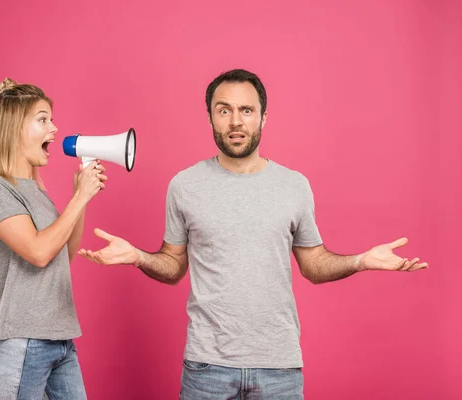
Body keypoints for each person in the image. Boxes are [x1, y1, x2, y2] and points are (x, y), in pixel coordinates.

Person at [77, 69, 428, 399]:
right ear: (210, 118)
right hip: (206, 368)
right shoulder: (185, 185)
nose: (235, 121)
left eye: (246, 110)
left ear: (263, 117)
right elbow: (173, 266)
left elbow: (314, 264)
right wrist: (138, 256)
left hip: (279, 367)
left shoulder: (294, 185)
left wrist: (361, 260)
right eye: (223, 110)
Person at [0, 78, 107, 399]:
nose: (55, 129)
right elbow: (38, 252)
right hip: (21, 340)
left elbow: (63, 253)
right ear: (14, 128)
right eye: (43, 119)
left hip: (58, 339)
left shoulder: (35, 190)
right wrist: (78, 198)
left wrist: (81, 198)